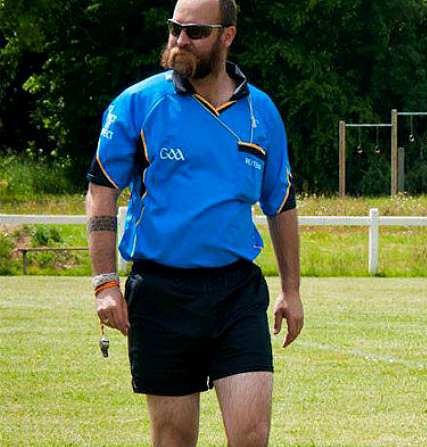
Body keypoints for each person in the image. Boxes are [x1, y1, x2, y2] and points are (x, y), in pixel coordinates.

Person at [86, 1, 303, 445]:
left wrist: (292, 290)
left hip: (236, 293)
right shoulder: (138, 104)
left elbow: (280, 203)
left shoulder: (261, 112)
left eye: (195, 32)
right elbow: (102, 189)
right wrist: (105, 282)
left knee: (251, 434)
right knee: (174, 437)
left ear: (227, 36)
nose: (180, 41)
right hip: (161, 293)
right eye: (174, 29)